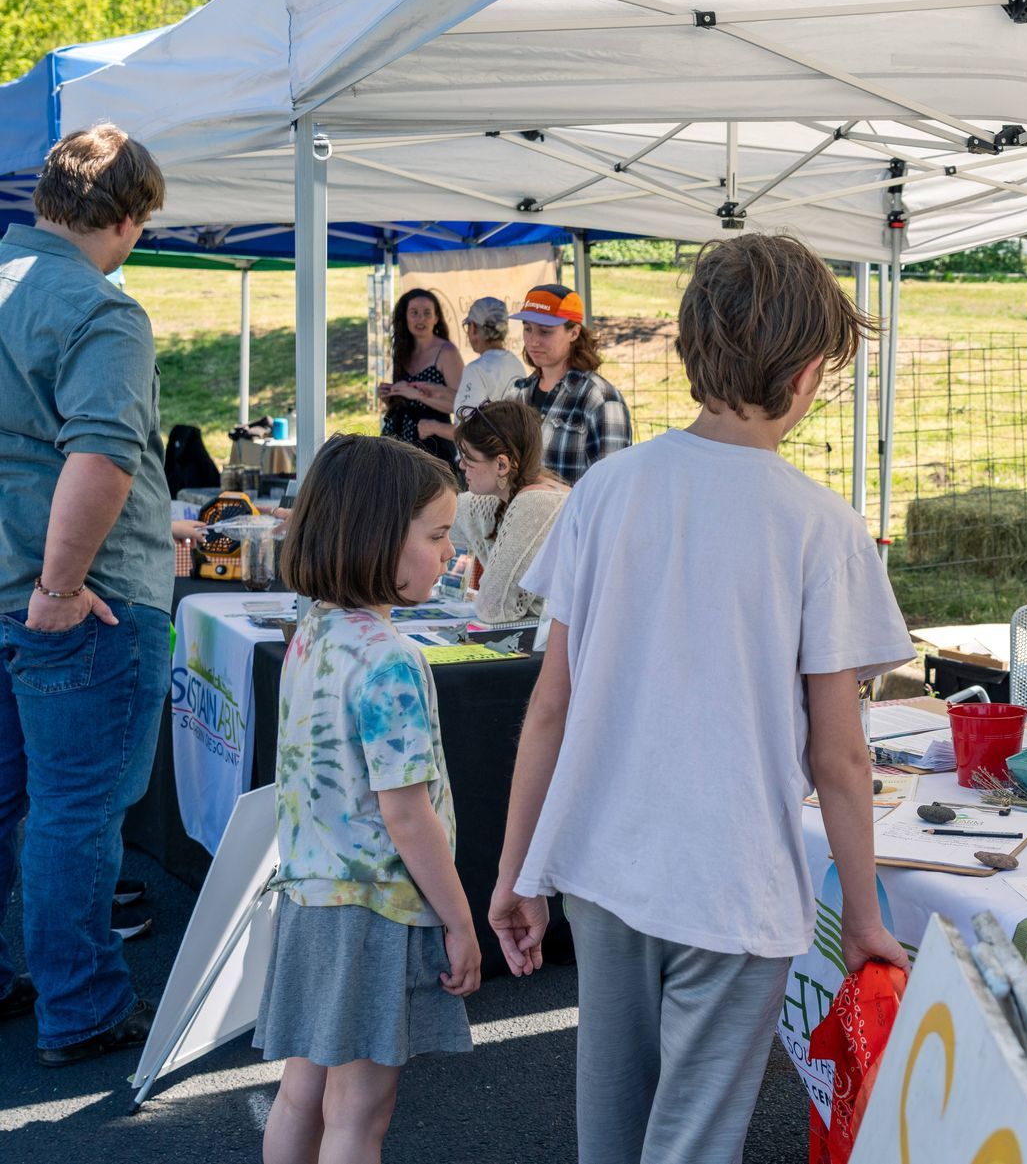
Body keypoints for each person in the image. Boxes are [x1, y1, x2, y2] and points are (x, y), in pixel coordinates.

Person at [487, 234, 913, 1164]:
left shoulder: (604, 490)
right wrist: (867, 914)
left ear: (688, 352)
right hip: (736, 888)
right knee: (690, 1146)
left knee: (613, 1134)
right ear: (807, 377)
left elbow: (550, 705)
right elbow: (839, 756)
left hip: (602, 864)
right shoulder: (823, 527)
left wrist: (518, 867)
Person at [256, 434, 477, 1163]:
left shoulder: (311, 627)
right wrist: (459, 919)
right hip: (377, 910)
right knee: (360, 1112)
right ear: (381, 536)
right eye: (438, 534)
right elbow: (405, 811)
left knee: (302, 1091)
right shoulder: (391, 659)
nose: (449, 553)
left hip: (311, 896)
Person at [0, 123, 170, 1066]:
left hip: (14, 584)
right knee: (76, 810)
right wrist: (61, 583)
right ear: (131, 217)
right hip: (78, 603)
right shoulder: (102, 308)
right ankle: (83, 1008)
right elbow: (99, 455)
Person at [449, 400, 569, 625]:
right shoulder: (507, 498)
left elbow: (494, 607)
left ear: (502, 465)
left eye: (468, 458)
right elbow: (440, 518)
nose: (461, 466)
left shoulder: (537, 502)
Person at [509, 283, 631, 483]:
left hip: (572, 514)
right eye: (527, 329)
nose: (533, 341)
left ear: (574, 333)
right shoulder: (516, 393)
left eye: (545, 331)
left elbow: (612, 484)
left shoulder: (601, 399)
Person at [417, 296, 525, 445]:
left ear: (473, 327)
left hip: (481, 461)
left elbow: (466, 430)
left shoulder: (476, 370)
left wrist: (431, 427)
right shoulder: (515, 363)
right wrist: (438, 391)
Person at [379, 288, 464, 466]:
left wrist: (417, 395)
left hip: (432, 441)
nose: (421, 319)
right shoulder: (402, 350)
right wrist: (390, 396)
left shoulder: (446, 352)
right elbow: (404, 403)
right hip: (397, 436)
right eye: (414, 313)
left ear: (437, 318)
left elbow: (459, 406)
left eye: (427, 313)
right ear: (405, 317)